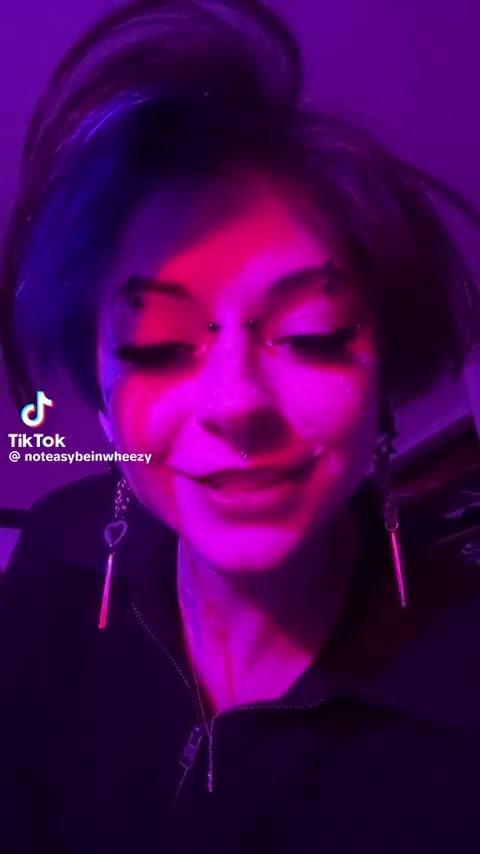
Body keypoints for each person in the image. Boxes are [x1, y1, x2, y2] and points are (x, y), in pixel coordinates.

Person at [1, 1, 480, 852]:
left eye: (312, 335)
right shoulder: (53, 557)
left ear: (384, 379)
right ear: (102, 399)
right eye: (158, 346)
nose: (235, 403)